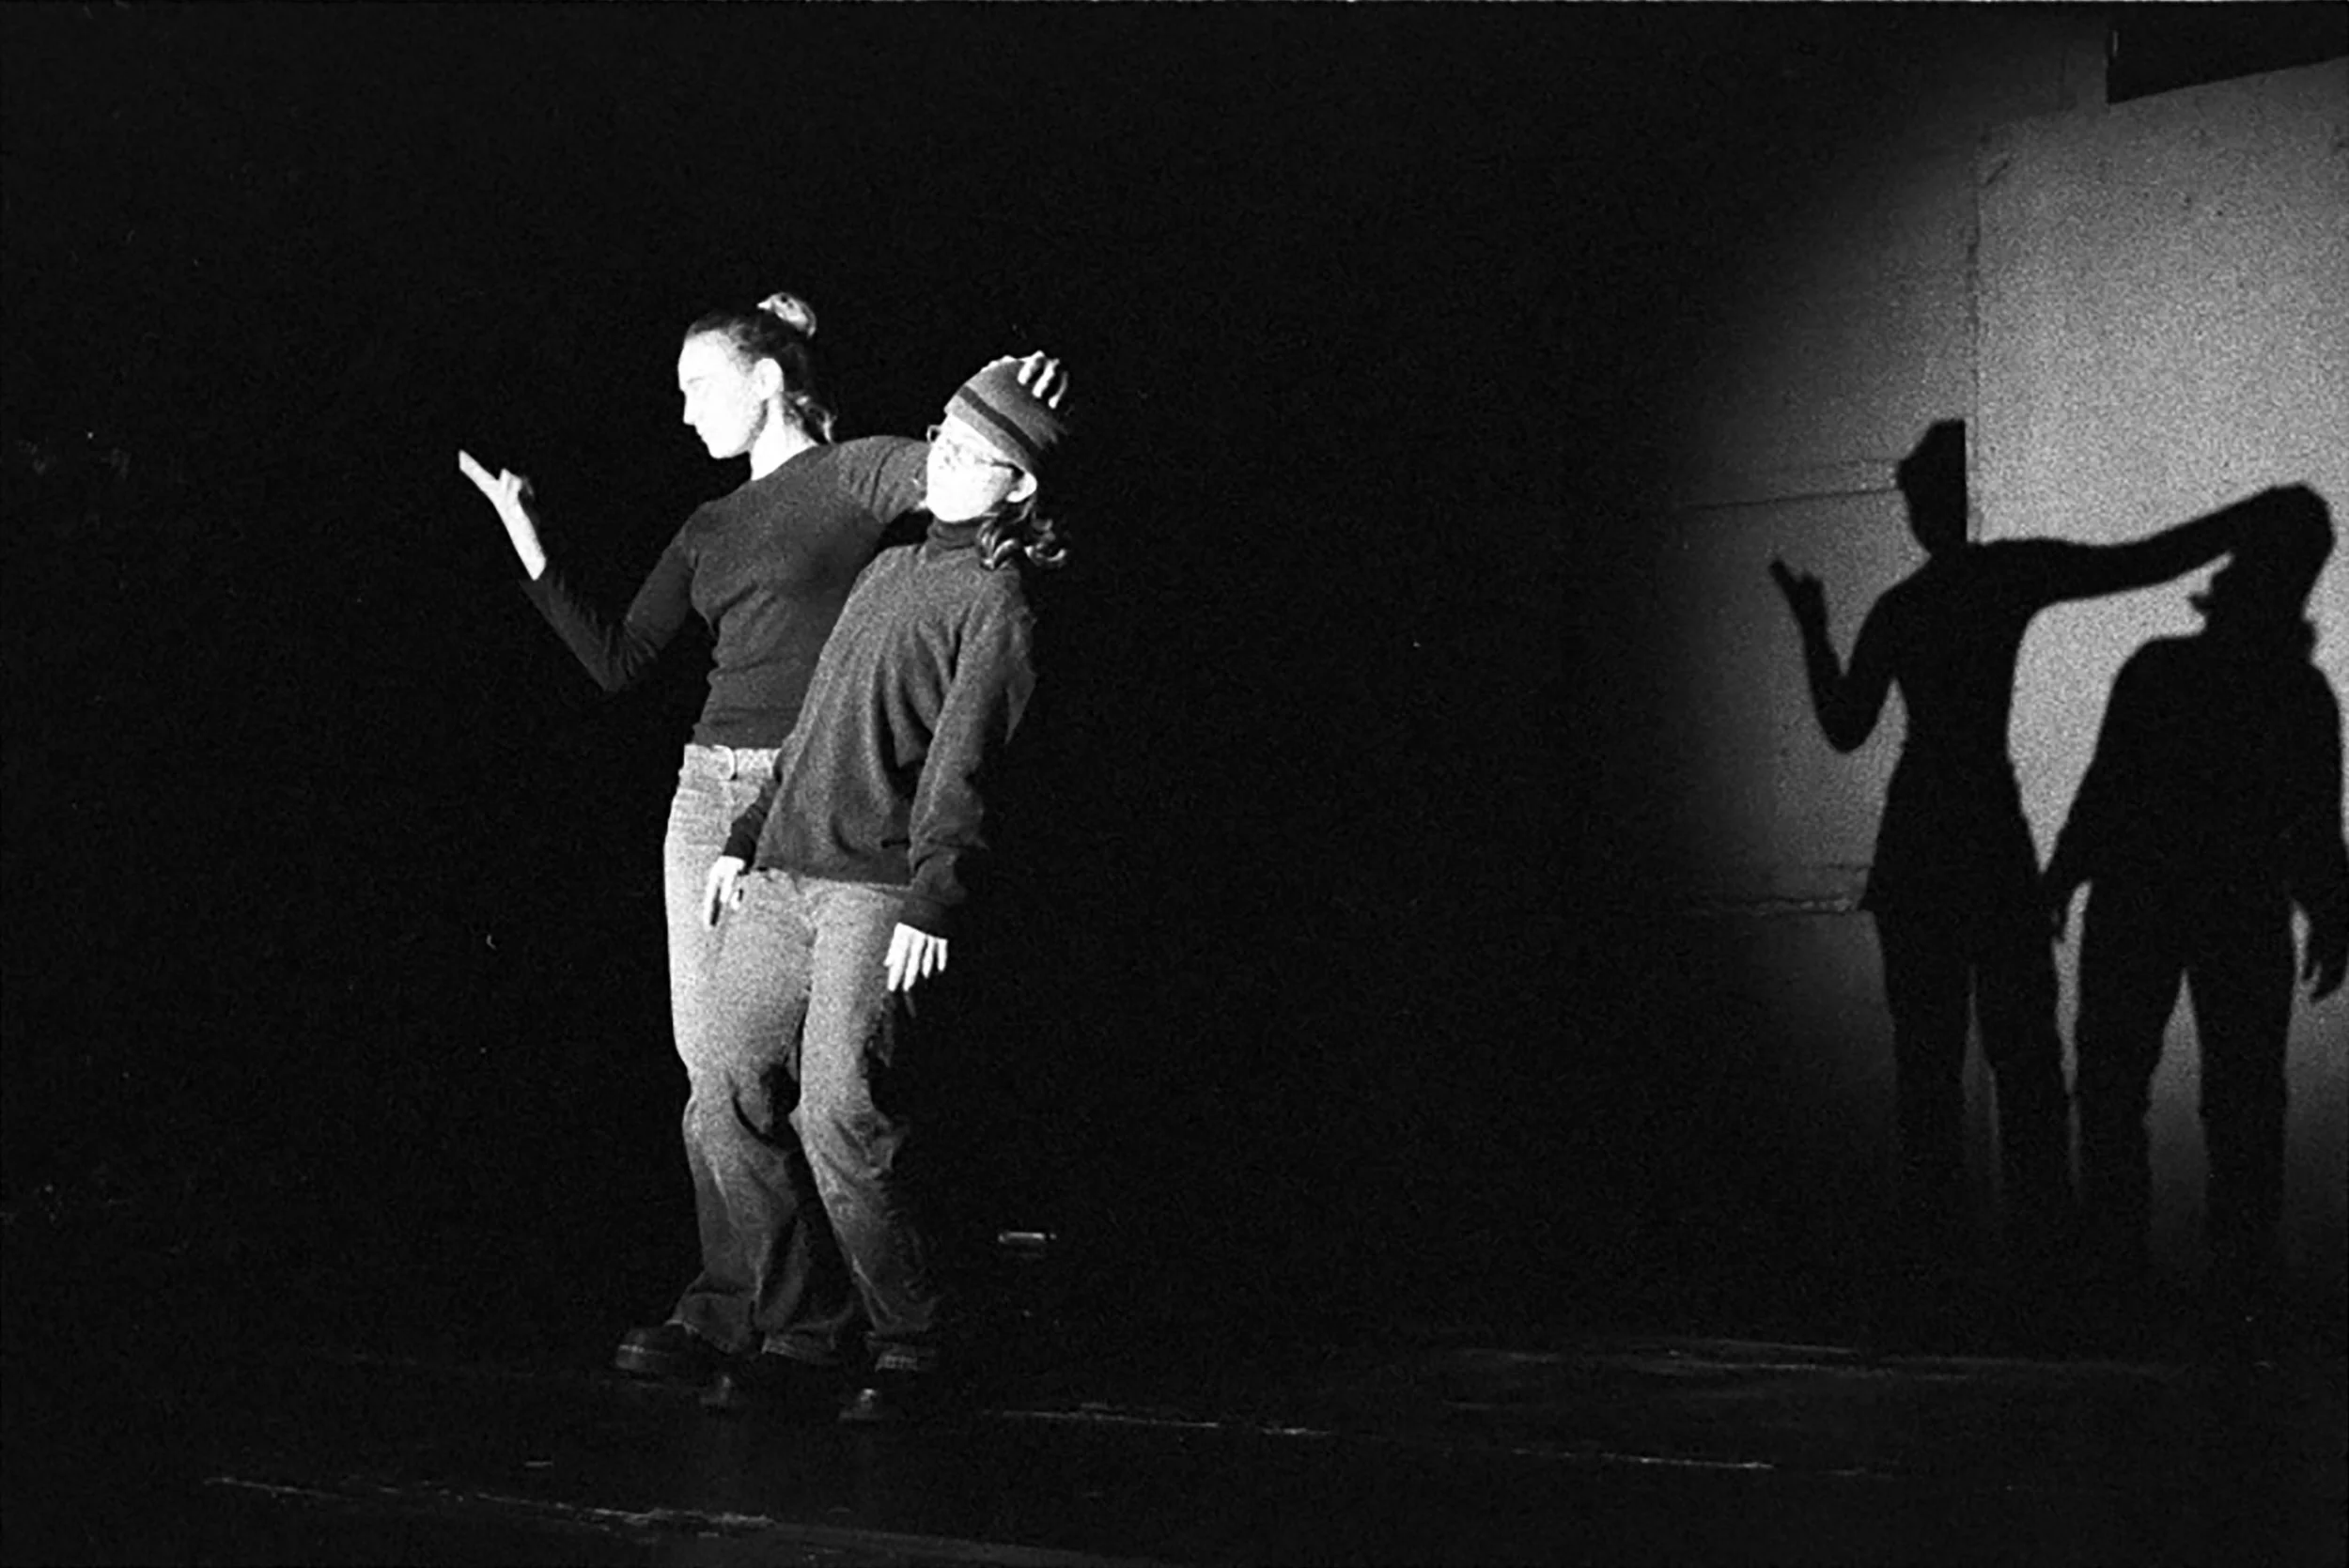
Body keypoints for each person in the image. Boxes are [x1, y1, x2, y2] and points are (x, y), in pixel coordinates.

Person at [458, 291, 981, 1382]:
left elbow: (957, 475)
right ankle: (754, 1305)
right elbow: (618, 660)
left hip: (823, 790)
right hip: (710, 797)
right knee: (715, 1075)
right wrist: (527, 538)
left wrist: (1004, 405)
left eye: (700, 385)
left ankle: (878, 1321)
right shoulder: (709, 525)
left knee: (832, 1090)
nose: (686, 411)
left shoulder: (849, 474)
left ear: (767, 379)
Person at [1767, 421, 2257, 1338]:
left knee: (1930, 1073)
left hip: (1919, 855)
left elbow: (1843, 725)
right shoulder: (2003, 577)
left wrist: (1813, 631)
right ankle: (2046, 1276)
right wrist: (2243, 521)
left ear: (1927, 503)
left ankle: (1941, 1283)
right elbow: (2136, 562)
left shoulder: (1904, 608)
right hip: (1989, 849)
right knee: (2026, 1066)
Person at [687, 353, 1072, 1422]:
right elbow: (816, 721)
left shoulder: (995, 601)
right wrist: (745, 836)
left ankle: (913, 1335)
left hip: (873, 886)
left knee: (841, 1109)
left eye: (973, 454)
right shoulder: (888, 566)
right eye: (942, 439)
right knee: (725, 1090)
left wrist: (933, 897)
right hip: (785, 870)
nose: (942, 462)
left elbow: (967, 760)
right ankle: (801, 1328)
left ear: (1017, 484)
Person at [2044, 486, 2345, 1344]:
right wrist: (2329, 910)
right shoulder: (2299, 694)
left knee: (2115, 1092)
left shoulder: (2159, 670)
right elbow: (2313, 822)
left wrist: (2063, 873)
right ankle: (2239, 1291)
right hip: (2239, 904)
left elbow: (2105, 789)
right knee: (2243, 1103)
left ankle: (2118, 1282)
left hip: (2140, 897)